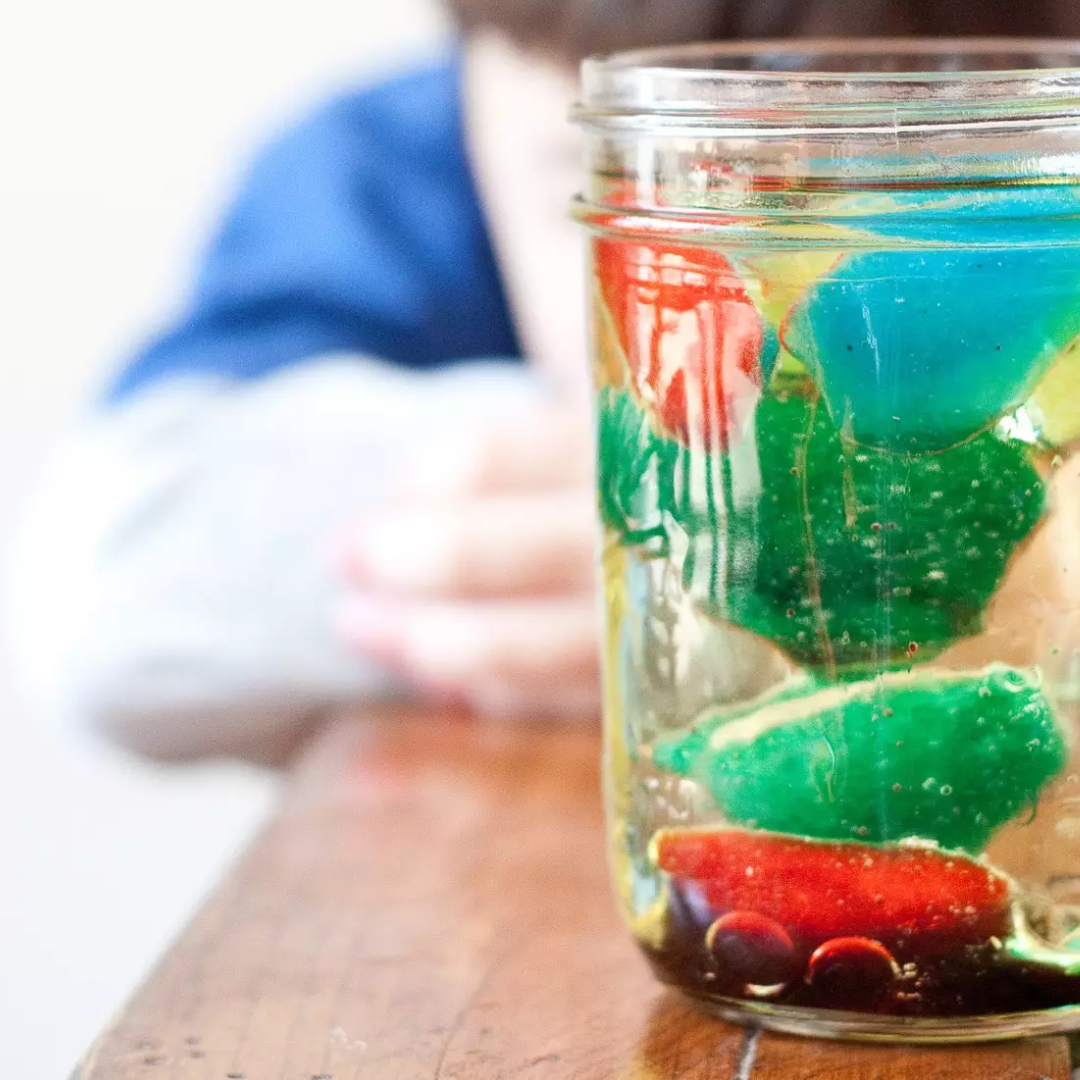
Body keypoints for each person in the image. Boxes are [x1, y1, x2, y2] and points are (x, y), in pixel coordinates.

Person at [11, 0, 1080, 764]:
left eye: (922, 229)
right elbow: (107, 588)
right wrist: (648, 507)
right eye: (629, 190)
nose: (769, 331)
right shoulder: (388, 173)